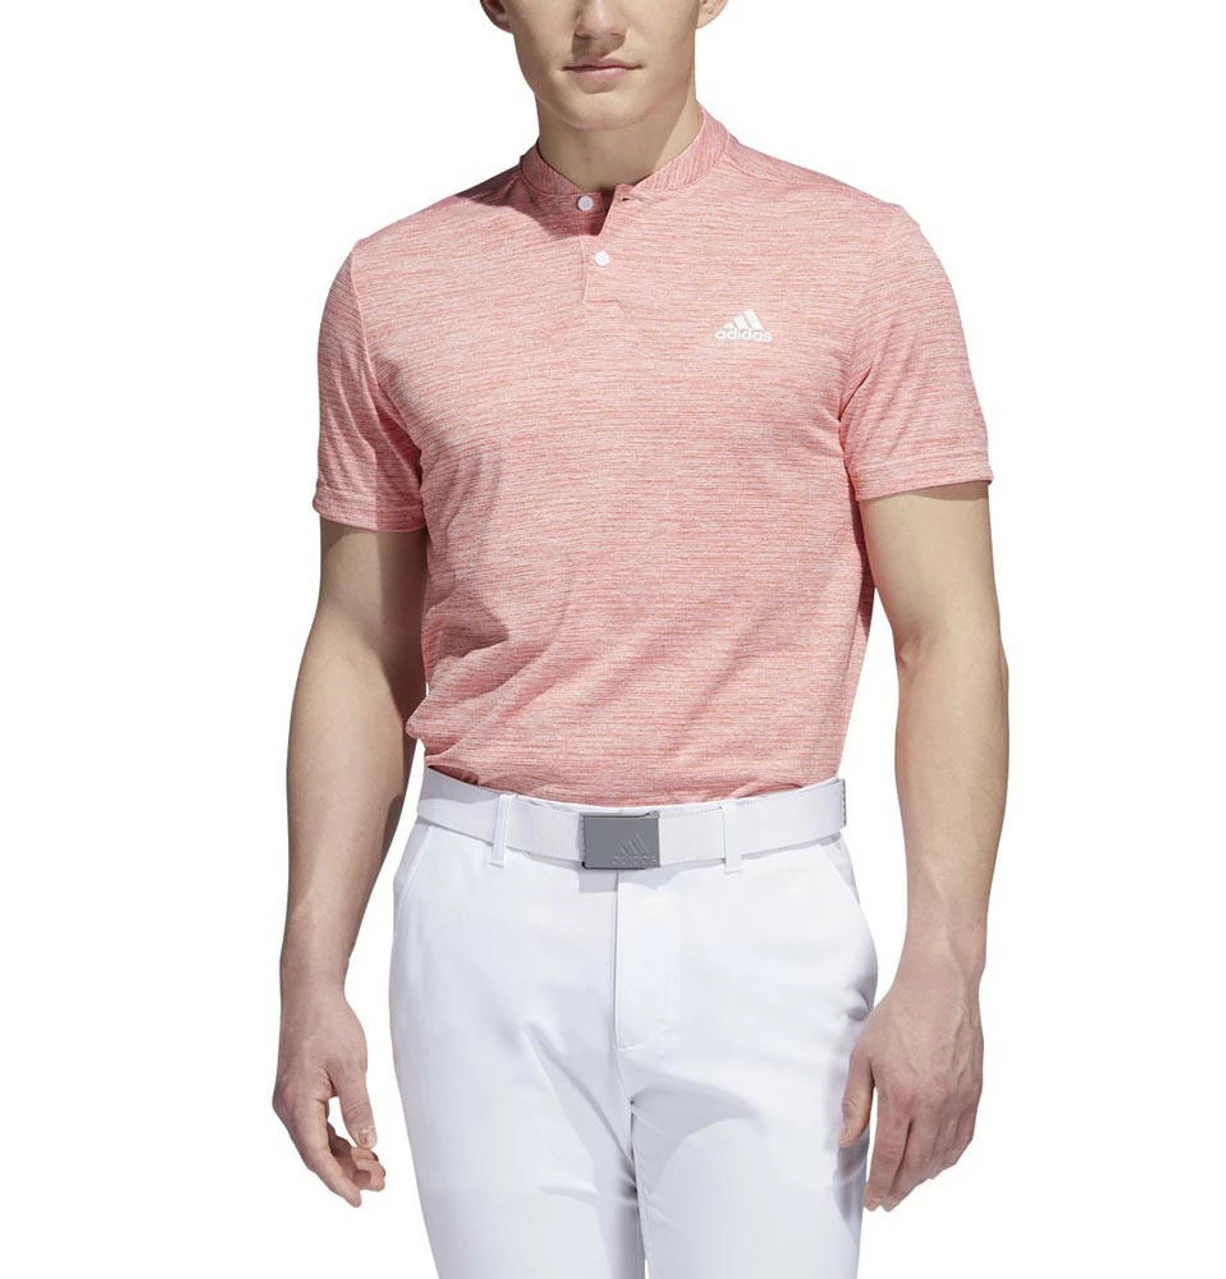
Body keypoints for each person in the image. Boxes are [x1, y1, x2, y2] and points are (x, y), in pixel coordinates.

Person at [273, 1, 1008, 1275]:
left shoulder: (857, 257)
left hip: (761, 913)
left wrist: (947, 962)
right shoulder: (393, 283)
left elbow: (947, 635)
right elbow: (356, 642)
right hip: (483, 920)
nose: (598, 19)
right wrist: (308, 967)